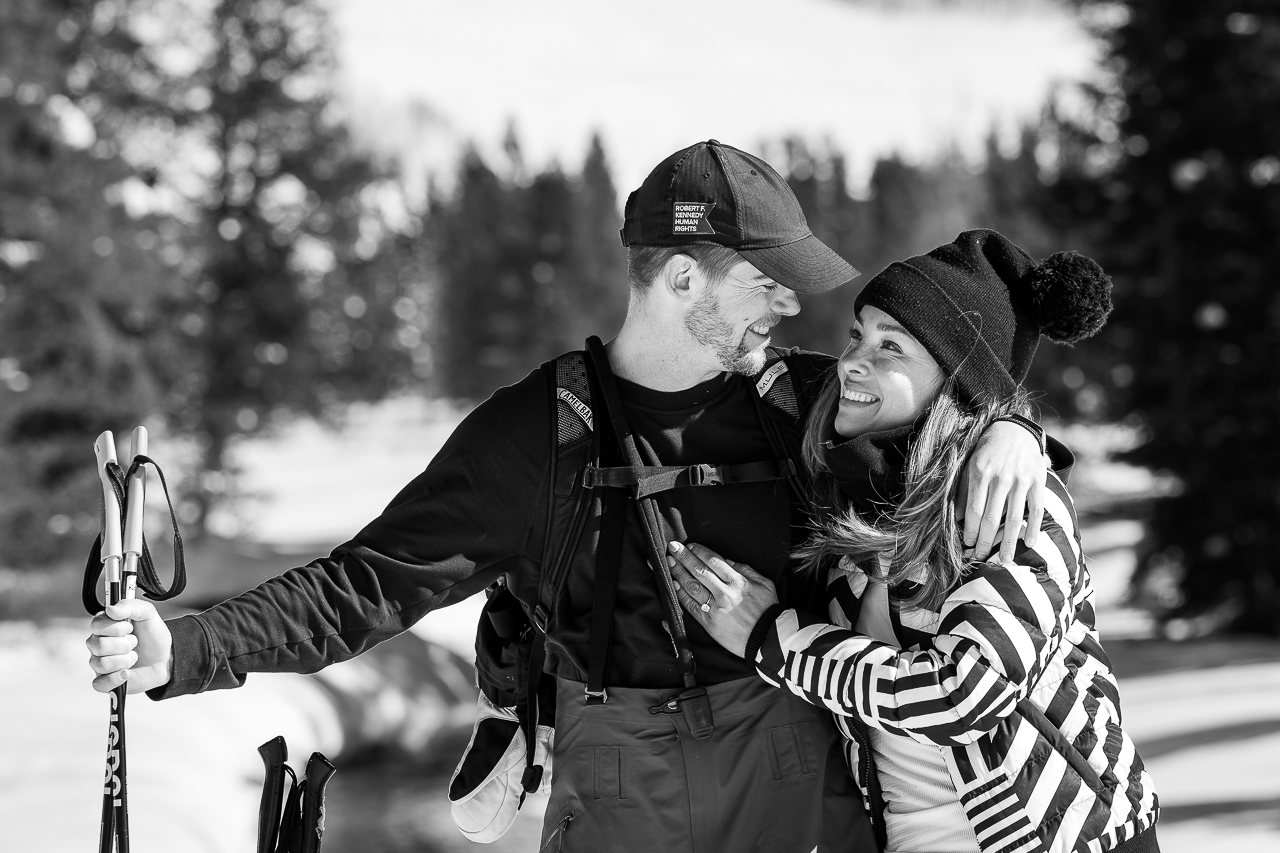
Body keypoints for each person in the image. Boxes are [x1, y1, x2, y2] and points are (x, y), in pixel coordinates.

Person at [86, 143, 1050, 853]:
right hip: (620, 784)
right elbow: (366, 585)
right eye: (766, 283)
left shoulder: (801, 401)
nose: (791, 308)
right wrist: (191, 646)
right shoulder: (532, 438)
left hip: (792, 763)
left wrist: (1015, 428)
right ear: (682, 277)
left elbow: (942, 424)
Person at [667, 229, 1160, 853]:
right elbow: (734, 365)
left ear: (955, 383)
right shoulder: (855, 481)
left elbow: (964, 693)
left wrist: (775, 639)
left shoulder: (1014, 506)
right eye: (858, 334)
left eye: (891, 346)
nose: (852, 360)